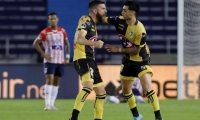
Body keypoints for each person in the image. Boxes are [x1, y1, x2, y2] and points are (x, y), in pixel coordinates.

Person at [104, 0, 163, 120]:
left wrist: (118, 50)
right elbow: (102, 19)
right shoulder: (118, 20)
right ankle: (136, 116)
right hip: (128, 60)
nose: (122, 12)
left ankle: (158, 117)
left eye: (125, 10)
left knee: (147, 88)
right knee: (126, 90)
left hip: (141, 59)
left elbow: (136, 50)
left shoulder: (139, 29)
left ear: (132, 12)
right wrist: (94, 15)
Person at [69, 0, 107, 120]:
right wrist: (94, 43)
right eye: (103, 9)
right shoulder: (86, 19)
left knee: (101, 92)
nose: (105, 11)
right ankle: (73, 118)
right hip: (82, 58)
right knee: (88, 87)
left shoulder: (93, 25)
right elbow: (79, 39)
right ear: (95, 11)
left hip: (91, 59)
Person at [33, 12, 70, 110]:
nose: (52, 20)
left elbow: (67, 44)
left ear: (57, 19)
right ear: (48, 20)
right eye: (51, 19)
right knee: (49, 79)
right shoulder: (45, 32)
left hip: (60, 61)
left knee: (56, 82)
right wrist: (44, 54)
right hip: (50, 61)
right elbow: (35, 43)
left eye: (54, 18)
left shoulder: (62, 31)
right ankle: (47, 104)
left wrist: (67, 57)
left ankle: (52, 104)